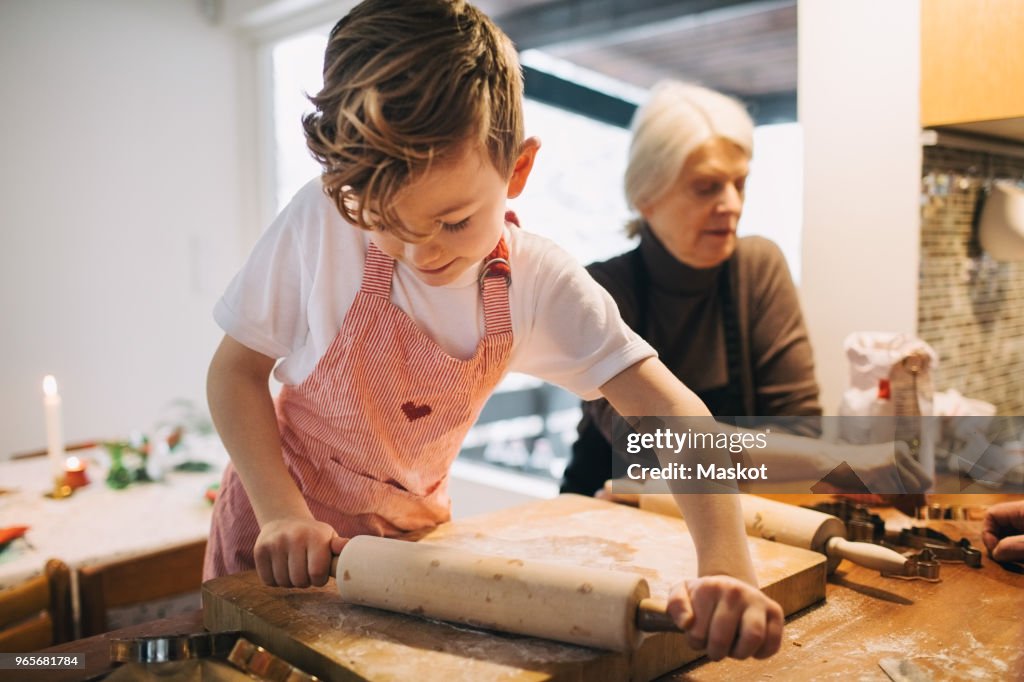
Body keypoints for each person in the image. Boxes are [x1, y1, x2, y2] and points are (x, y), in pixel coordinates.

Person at [204, 0, 782, 661]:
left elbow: (674, 413)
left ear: (518, 170)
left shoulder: (538, 284)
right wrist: (281, 512)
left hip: (407, 551)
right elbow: (235, 373)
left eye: (452, 222)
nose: (422, 253)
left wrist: (728, 568)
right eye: (386, 222)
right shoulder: (322, 222)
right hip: (275, 539)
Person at [562, 81, 824, 497]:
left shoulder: (758, 269)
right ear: (647, 195)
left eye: (740, 184)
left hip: (743, 514)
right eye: (707, 186)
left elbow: (804, 433)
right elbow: (644, 447)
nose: (732, 204)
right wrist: (773, 453)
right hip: (610, 516)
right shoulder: (600, 290)